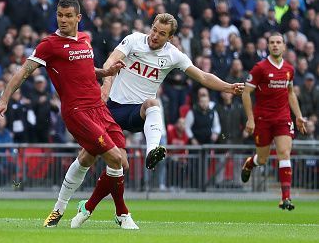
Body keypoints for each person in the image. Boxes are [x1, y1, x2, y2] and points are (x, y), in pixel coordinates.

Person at [44, 13, 245, 228]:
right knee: (94, 159)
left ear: (170, 38)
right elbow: (111, 61)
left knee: (152, 103)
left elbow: (203, 76)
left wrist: (227, 86)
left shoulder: (173, 55)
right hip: (111, 109)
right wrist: (106, 84)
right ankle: (70, 207)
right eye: (154, 30)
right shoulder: (133, 40)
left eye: (162, 34)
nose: (155, 36)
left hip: (136, 113)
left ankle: (152, 152)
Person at [0, 0, 127, 230]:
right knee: (114, 158)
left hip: (98, 108)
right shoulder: (49, 45)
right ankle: (122, 214)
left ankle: (60, 209)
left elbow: (84, 70)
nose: (63, 20)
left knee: (102, 159)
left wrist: (105, 71)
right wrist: (4, 98)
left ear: (78, 18)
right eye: (60, 15)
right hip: (77, 112)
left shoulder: (85, 39)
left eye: (68, 16)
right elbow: (24, 71)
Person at [241, 32, 308, 211]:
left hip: (283, 118)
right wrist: (250, 119)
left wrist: (299, 115)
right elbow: (246, 92)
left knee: (284, 153)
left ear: (284, 46)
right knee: (262, 159)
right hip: (263, 119)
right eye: (272, 42)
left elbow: (291, 93)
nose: (275, 45)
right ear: (268, 46)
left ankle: (285, 198)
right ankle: (250, 163)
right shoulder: (259, 68)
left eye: (279, 42)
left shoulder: (289, 69)